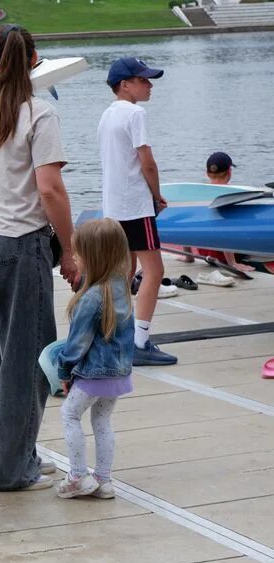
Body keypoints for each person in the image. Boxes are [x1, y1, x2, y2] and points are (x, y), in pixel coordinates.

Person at [0, 25, 79, 492]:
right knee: (29, 362)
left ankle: (11, 452)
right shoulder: (41, 113)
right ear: (35, 60)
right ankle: (9, 469)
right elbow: (49, 189)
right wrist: (70, 249)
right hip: (19, 242)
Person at [99, 56, 176, 366]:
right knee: (154, 270)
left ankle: (117, 336)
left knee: (124, 272)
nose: (149, 84)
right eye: (143, 80)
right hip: (135, 204)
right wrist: (157, 195)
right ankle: (140, 340)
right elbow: (147, 161)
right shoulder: (135, 113)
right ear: (124, 85)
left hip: (113, 205)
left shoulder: (107, 115)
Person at [54, 218, 134, 500]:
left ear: (93, 257)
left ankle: (78, 475)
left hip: (93, 374)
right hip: (118, 373)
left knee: (69, 414)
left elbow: (77, 345)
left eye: (78, 254)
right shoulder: (122, 287)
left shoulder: (91, 298)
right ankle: (104, 478)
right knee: (102, 421)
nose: (74, 257)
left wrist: (64, 371)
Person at [180, 151, 253, 273]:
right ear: (230, 171)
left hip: (205, 254)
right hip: (225, 257)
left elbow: (185, 223)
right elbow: (225, 228)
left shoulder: (197, 194)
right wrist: (232, 264)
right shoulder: (231, 195)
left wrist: (188, 256)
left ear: (207, 173)